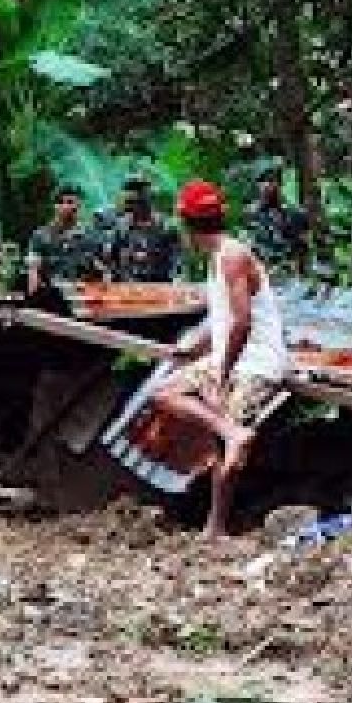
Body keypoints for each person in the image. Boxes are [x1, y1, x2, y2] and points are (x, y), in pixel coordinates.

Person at [154, 181, 290, 539]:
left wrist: (222, 373)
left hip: (257, 362)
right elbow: (224, 321)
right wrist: (193, 348)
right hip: (230, 356)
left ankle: (216, 524)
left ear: (185, 223)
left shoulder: (231, 256)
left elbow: (243, 323)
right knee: (167, 393)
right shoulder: (219, 257)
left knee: (227, 434)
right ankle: (231, 437)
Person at [26, 185, 105, 294]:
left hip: (82, 295)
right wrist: (34, 297)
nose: (66, 207)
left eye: (71, 202)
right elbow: (33, 273)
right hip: (52, 296)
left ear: (78, 205)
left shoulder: (90, 237)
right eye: (62, 202)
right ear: (55, 206)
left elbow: (100, 272)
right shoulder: (40, 236)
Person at [112, 174, 181, 282]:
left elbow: (176, 263)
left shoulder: (166, 227)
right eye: (130, 203)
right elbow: (114, 264)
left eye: (139, 201)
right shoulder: (121, 229)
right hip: (128, 289)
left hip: (160, 288)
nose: (135, 207)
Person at [244, 166, 308, 277]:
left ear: (279, 184)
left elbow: (301, 247)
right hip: (263, 271)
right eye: (263, 182)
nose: (267, 186)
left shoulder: (294, 214)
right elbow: (249, 246)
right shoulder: (252, 214)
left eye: (271, 181)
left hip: (289, 273)